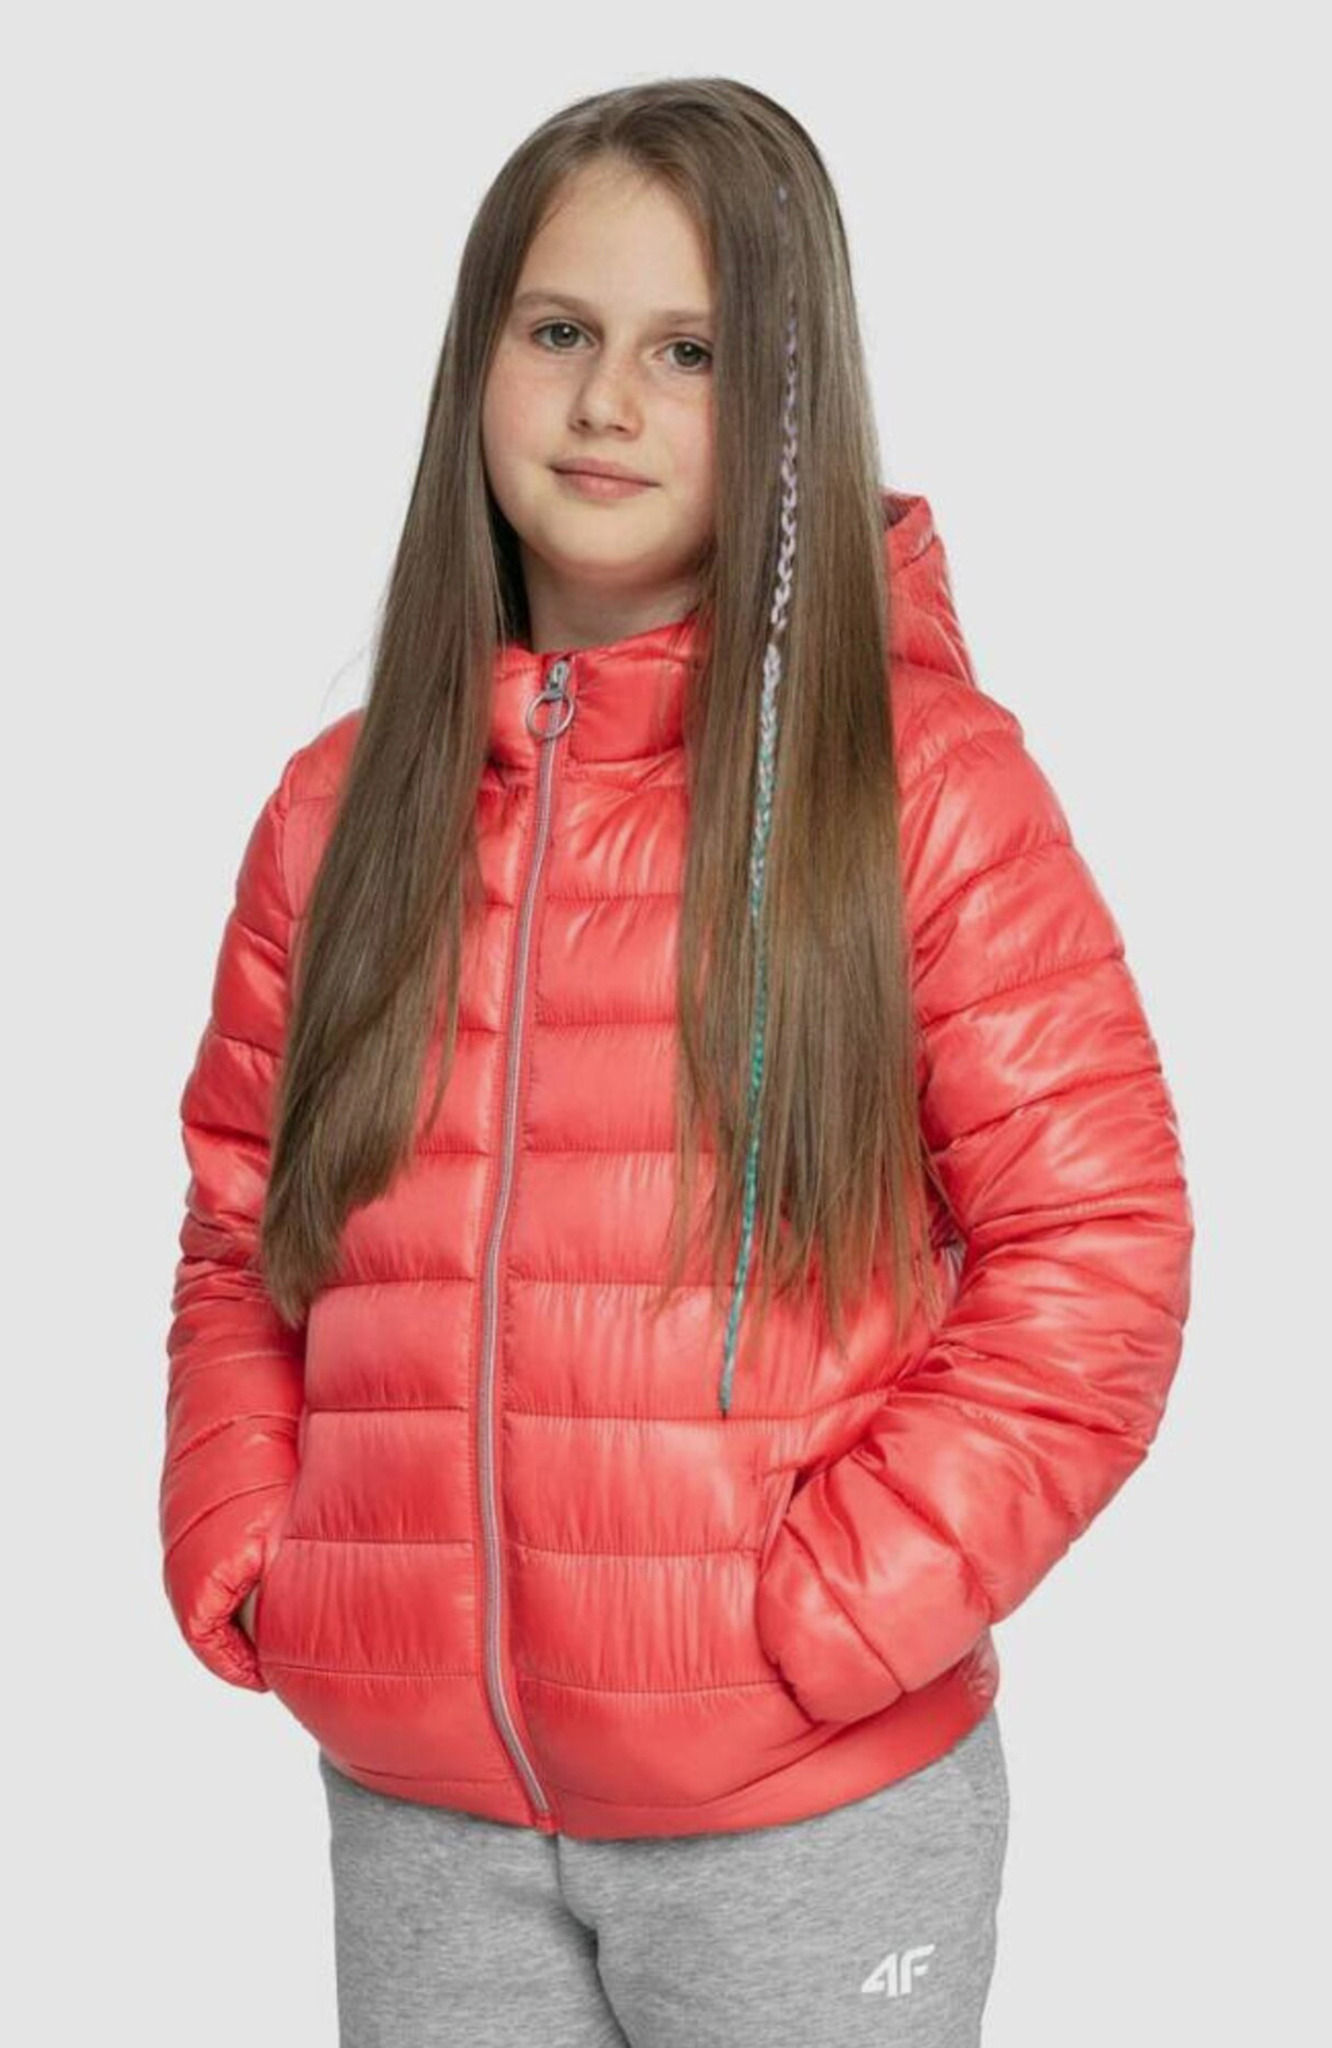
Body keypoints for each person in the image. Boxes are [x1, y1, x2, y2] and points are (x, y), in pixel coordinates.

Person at [158, 76, 1194, 2048]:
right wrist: (255, 1544)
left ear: (791, 398)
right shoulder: (336, 812)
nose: (606, 402)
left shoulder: (919, 794)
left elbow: (1099, 1249)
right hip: (426, 1813)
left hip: (807, 1823)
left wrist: (835, 1613)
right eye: (559, 330)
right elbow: (241, 1235)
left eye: (689, 352)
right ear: (480, 361)